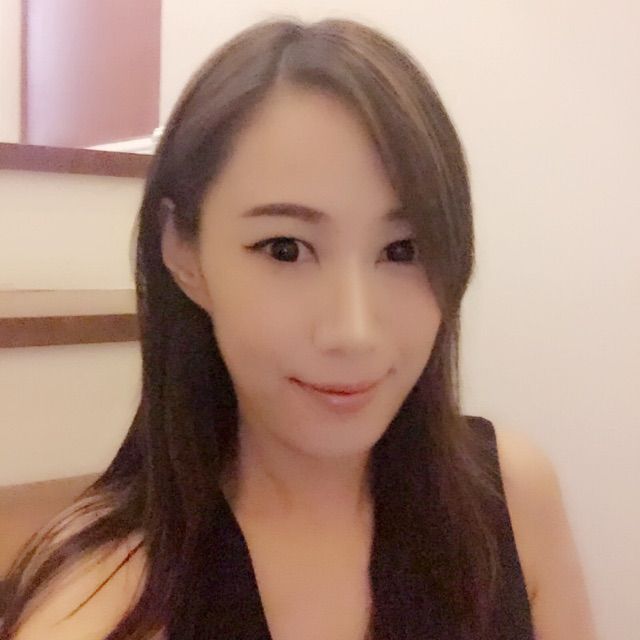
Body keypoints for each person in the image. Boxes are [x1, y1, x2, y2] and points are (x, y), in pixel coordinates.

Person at [0, 16, 597, 640]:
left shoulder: (513, 500)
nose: (353, 331)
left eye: (404, 250)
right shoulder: (104, 607)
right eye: (285, 249)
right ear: (184, 252)